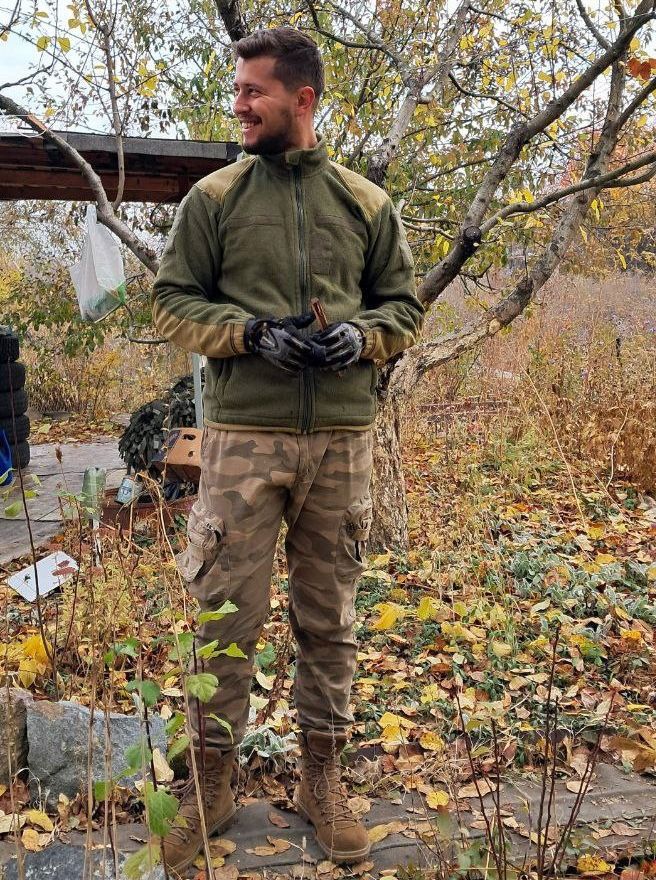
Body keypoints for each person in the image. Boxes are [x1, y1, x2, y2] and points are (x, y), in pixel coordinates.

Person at [151, 25, 424, 872]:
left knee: (330, 620)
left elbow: (403, 307)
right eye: (236, 89)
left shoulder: (366, 203)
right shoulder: (215, 199)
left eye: (252, 92)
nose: (238, 105)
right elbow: (171, 302)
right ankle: (210, 788)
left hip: (341, 442)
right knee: (224, 615)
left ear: (300, 99)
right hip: (243, 441)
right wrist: (248, 332)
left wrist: (363, 339)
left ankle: (321, 781)